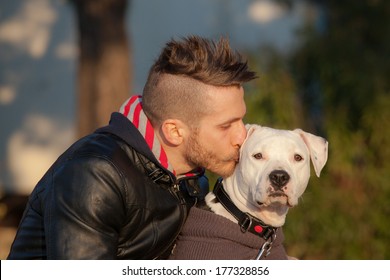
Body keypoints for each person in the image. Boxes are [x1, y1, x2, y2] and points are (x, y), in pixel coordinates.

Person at [7, 35, 257, 259]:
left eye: (241, 119)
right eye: (227, 126)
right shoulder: (94, 176)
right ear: (174, 131)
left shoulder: (193, 181)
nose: (242, 135)